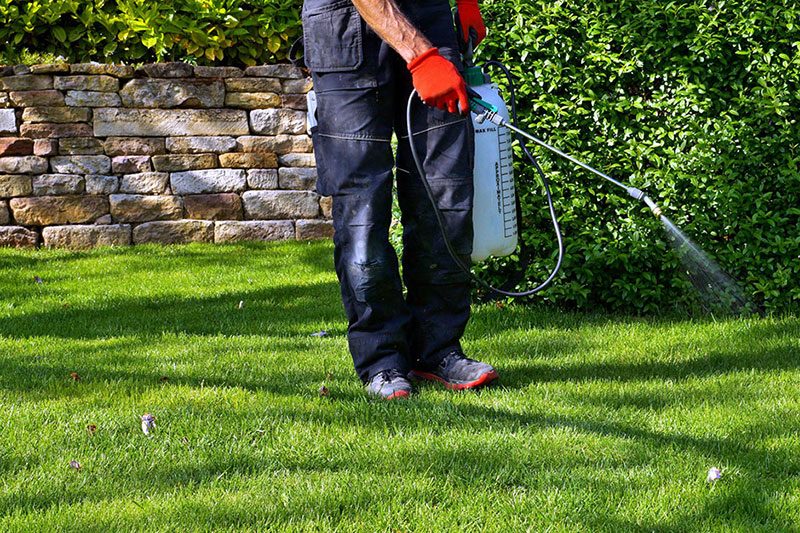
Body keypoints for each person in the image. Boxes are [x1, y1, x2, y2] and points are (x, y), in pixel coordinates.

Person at [303, 0, 499, 399]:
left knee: (446, 198)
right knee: (362, 209)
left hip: (431, 21)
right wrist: (420, 54)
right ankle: (383, 359)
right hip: (344, 27)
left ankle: (439, 349)